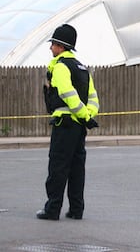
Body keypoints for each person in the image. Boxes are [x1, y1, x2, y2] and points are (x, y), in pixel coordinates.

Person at [37, 24, 100, 221]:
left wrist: (82, 115)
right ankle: (76, 210)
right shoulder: (83, 68)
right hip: (80, 126)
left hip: (64, 125)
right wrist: (87, 116)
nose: (50, 48)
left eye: (53, 44)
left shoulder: (61, 66)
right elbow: (93, 97)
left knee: (58, 167)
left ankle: (52, 209)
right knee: (76, 168)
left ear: (61, 46)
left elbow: (67, 94)